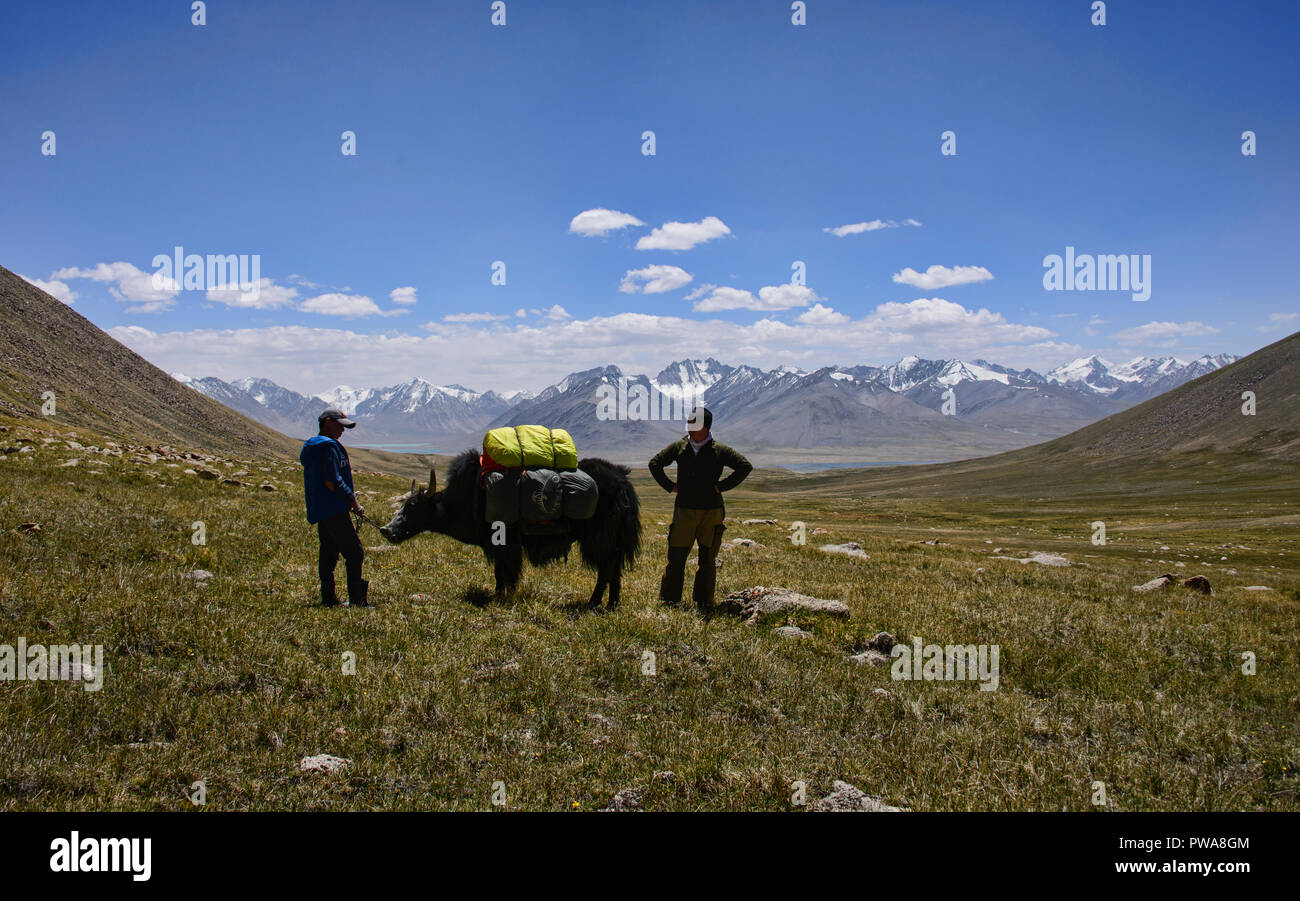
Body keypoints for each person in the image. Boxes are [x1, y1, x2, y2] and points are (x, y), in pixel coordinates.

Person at [647, 406, 752, 615]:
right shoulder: (680, 446)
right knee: (676, 557)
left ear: (705, 427)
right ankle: (670, 600)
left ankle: (703, 603)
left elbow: (744, 466)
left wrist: (721, 487)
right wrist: (670, 486)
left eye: (694, 425)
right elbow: (655, 463)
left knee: (707, 560)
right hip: (684, 511)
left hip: (711, 513)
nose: (689, 429)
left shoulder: (719, 450)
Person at [301, 408, 369, 607]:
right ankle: (357, 600)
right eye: (340, 426)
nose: (343, 431)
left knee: (329, 551)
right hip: (334, 508)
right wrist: (353, 502)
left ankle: (328, 598)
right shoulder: (328, 448)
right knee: (355, 552)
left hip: (323, 508)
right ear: (327, 422)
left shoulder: (316, 446)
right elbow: (332, 480)